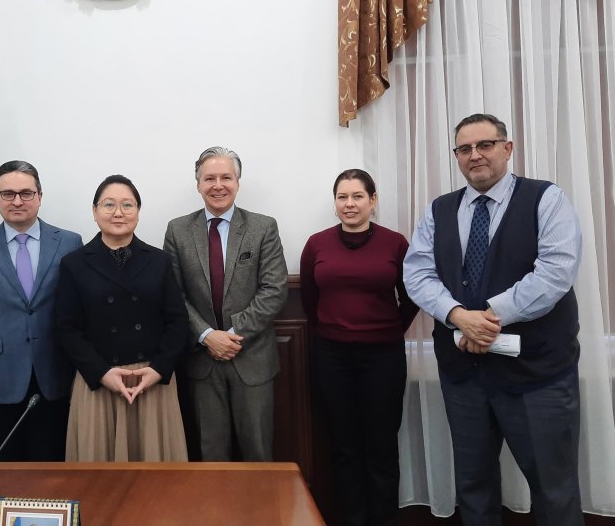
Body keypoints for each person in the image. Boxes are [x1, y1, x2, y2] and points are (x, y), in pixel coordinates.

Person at [403, 113, 583, 525]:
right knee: (474, 489)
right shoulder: (439, 210)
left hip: (538, 376)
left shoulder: (546, 199)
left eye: (484, 145)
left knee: (554, 491)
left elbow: (556, 271)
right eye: (464, 149)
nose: (474, 156)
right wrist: (455, 315)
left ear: (507, 148)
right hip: (465, 378)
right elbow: (417, 272)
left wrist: (485, 317)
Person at [300, 168, 418, 526]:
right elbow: (309, 297)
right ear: (335, 203)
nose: (349, 204)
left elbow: (411, 296)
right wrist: (333, 331)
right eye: (342, 197)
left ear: (373, 200)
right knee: (344, 447)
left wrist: (388, 329)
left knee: (381, 448)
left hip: (383, 358)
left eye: (357, 197)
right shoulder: (316, 244)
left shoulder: (395, 243)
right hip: (331, 357)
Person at [0, 160, 82, 461]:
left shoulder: (69, 243)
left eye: (26, 192)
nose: (18, 201)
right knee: (7, 479)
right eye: (8, 194)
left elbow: (81, 314)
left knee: (55, 477)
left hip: (58, 383)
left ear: (40, 196)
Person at [163, 146, 288, 461]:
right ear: (198, 185)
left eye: (226, 177)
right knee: (211, 455)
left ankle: (262, 513)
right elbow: (173, 294)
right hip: (202, 362)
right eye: (209, 178)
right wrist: (207, 336)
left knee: (258, 453)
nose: (218, 185)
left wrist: (232, 335)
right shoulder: (178, 230)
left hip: (252, 357)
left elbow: (274, 289)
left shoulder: (263, 227)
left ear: (238, 182)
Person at [55, 175, 189, 462]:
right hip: (99, 381)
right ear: (94, 211)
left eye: (128, 204)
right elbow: (67, 329)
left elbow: (177, 322)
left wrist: (159, 369)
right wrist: (102, 373)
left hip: (151, 380)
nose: (119, 212)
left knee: (155, 480)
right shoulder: (74, 263)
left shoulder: (159, 260)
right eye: (109, 204)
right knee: (99, 482)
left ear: (138, 211)